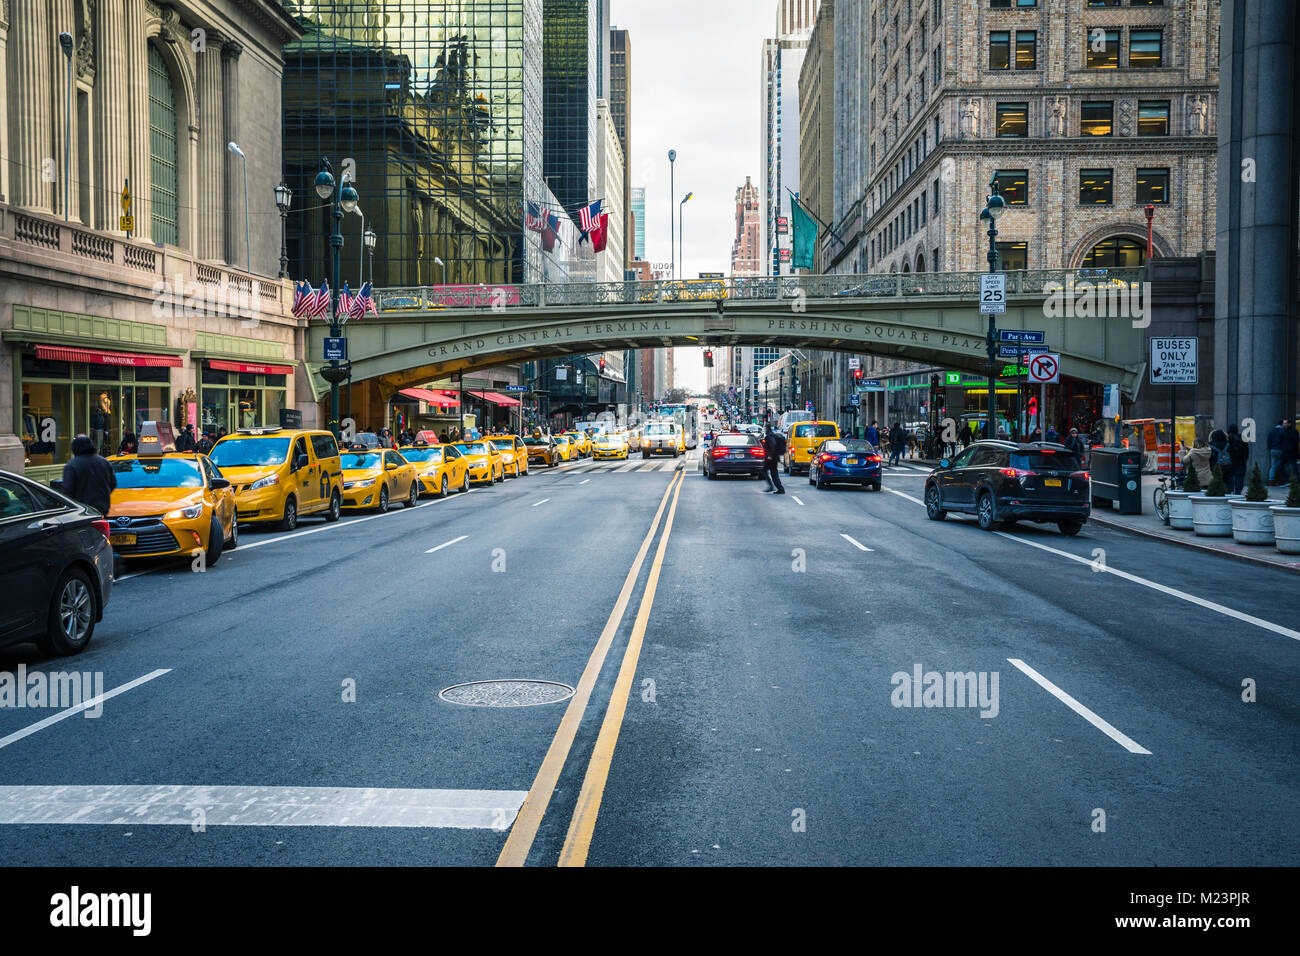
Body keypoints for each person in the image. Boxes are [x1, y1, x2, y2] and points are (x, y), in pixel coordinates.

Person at [61, 435, 116, 516]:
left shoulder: (72, 465)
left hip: (81, 509)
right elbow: (113, 483)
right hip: (102, 507)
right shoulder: (104, 462)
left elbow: (67, 490)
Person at [762, 424, 785, 495]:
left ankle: (773, 487)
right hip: (773, 458)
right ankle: (779, 488)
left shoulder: (769, 436)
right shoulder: (772, 435)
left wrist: (770, 455)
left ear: (766, 428)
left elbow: (773, 445)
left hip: (771, 458)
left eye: (765, 428)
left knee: (767, 472)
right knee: (773, 473)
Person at [1226, 423, 1249, 495]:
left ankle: (1230, 490)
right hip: (1241, 460)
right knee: (1239, 476)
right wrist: (1245, 458)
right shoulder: (1243, 437)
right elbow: (1246, 450)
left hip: (1230, 460)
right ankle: (1238, 491)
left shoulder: (1227, 437)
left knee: (1230, 476)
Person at [1266, 419, 1286, 484]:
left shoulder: (1272, 431)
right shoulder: (1283, 431)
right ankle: (1281, 479)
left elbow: (1268, 441)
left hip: (1273, 450)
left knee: (1273, 465)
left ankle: (1271, 479)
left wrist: (1270, 448)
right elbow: (1285, 442)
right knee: (1281, 464)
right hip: (1280, 450)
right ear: (1282, 424)